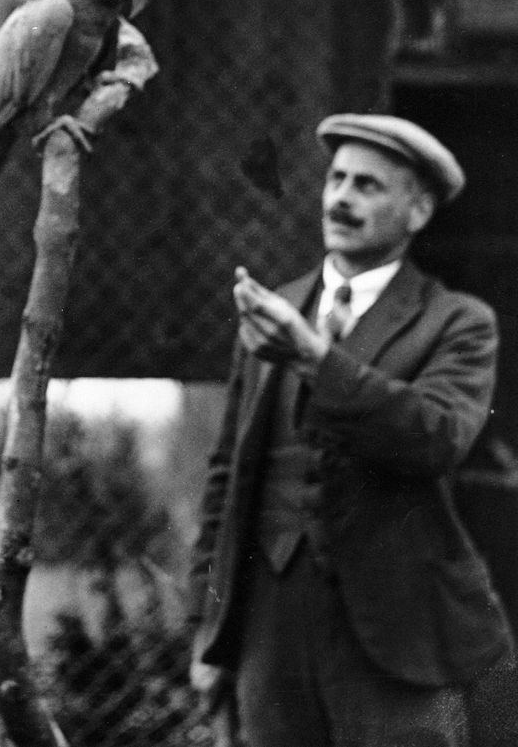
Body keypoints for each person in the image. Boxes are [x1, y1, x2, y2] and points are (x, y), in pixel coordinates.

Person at [188, 113, 515, 747]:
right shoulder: (271, 312)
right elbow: (228, 477)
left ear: (417, 212)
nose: (341, 198)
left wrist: (315, 357)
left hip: (396, 633)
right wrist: (207, 629)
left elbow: (436, 438)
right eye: (336, 179)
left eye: (368, 186)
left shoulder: (457, 323)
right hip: (270, 633)